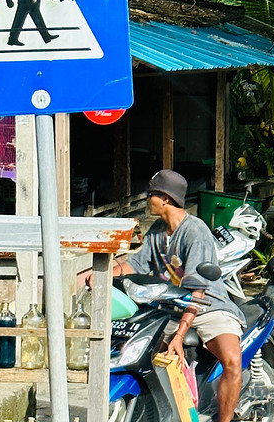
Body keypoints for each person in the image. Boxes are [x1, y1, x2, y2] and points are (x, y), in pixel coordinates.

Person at [86, 171, 245, 422]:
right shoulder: (158, 230)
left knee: (233, 360)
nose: (148, 199)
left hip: (208, 306)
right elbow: (136, 264)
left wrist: (179, 335)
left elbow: (198, 289)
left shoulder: (196, 232)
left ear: (166, 199)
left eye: (151, 194)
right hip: (170, 308)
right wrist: (103, 275)